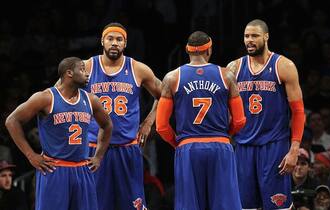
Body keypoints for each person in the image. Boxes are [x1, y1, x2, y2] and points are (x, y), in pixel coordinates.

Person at [5, 57, 113, 210]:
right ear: (69, 73)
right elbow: (12, 121)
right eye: (82, 69)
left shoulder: (91, 100)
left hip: (82, 169)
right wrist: (31, 155)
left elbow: (107, 125)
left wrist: (98, 156)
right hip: (55, 169)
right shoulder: (45, 98)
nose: (87, 73)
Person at [156, 31, 246, 210]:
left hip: (188, 148)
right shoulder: (226, 75)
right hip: (220, 145)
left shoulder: (172, 78)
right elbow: (240, 120)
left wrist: (179, 143)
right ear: (209, 50)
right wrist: (224, 135)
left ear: (187, 51)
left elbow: (161, 126)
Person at [226, 19, 305, 209]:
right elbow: (225, 112)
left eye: (254, 36)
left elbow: (299, 112)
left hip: (274, 146)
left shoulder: (283, 66)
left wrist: (294, 149)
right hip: (243, 146)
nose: (249, 40)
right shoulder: (234, 68)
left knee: (277, 206)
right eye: (246, 36)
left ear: (266, 37)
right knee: (245, 207)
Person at [83, 22, 161, 210]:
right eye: (110, 38)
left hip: (127, 148)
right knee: (96, 205)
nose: (114, 43)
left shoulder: (138, 69)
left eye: (119, 39)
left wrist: (149, 122)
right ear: (102, 41)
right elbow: (58, 95)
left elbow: (165, 95)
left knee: (133, 205)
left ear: (125, 44)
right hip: (94, 149)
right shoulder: (86, 67)